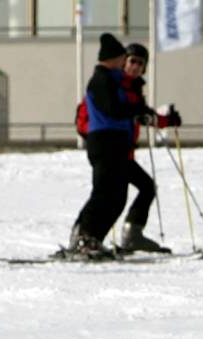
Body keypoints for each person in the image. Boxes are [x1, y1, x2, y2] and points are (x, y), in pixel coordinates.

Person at [67, 33, 158, 260]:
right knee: (104, 194)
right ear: (114, 59)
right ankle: (82, 236)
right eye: (124, 59)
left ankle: (94, 239)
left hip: (117, 144)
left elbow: (129, 108)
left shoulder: (116, 80)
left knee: (117, 197)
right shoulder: (102, 80)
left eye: (139, 63)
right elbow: (113, 109)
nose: (127, 64)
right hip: (104, 142)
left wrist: (150, 115)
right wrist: (137, 113)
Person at [117, 42, 180, 253]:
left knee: (145, 188)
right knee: (114, 197)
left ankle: (130, 234)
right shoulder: (118, 84)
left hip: (125, 152)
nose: (135, 66)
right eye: (132, 61)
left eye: (140, 63)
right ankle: (96, 237)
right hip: (113, 150)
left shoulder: (134, 88)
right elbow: (121, 110)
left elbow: (145, 114)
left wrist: (167, 121)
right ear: (124, 61)